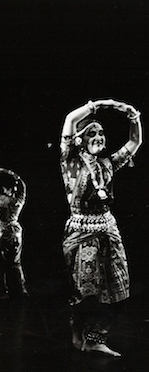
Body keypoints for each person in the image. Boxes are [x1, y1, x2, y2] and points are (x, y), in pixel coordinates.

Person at [60, 99, 142, 357]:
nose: (98, 136)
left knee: (118, 289)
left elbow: (134, 143)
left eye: (101, 132)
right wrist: (102, 105)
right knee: (86, 291)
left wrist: (134, 118)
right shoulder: (70, 160)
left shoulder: (108, 164)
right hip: (80, 230)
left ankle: (95, 338)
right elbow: (70, 120)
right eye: (91, 133)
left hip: (107, 229)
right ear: (80, 139)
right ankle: (78, 331)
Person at [0, 168, 28, 300]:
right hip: (16, 233)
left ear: (8, 190)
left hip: (2, 234)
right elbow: (23, 189)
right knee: (16, 263)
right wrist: (18, 178)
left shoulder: (2, 199)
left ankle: (1, 291)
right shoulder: (18, 201)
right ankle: (21, 290)